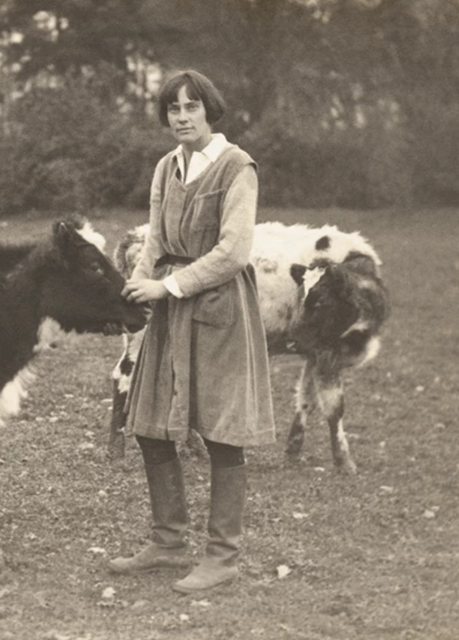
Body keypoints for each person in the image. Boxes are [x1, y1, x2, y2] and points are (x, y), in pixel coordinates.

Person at [108, 69, 275, 594]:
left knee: (221, 431)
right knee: (150, 423)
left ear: (210, 110)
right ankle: (168, 541)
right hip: (166, 304)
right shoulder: (166, 166)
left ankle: (223, 557)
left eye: (191, 107)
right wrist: (137, 283)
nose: (181, 117)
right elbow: (156, 236)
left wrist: (170, 287)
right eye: (173, 110)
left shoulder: (236, 167)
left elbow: (234, 251)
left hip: (218, 307)